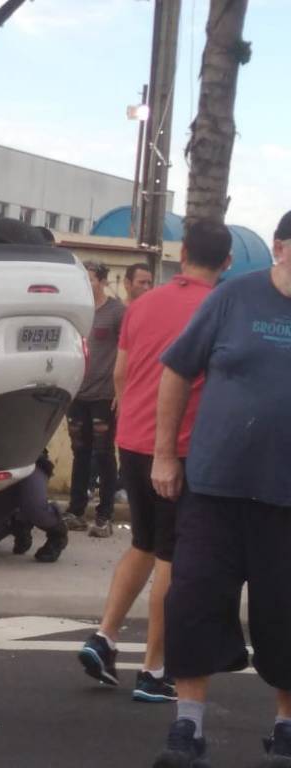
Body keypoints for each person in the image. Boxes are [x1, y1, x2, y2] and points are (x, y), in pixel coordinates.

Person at [149, 211, 291, 768]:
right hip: (215, 488)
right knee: (194, 603)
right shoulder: (233, 299)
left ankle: (285, 730)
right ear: (281, 248)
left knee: (287, 614)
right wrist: (164, 453)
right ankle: (188, 727)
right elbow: (177, 370)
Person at [77, 220, 231, 705]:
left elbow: (121, 373)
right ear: (226, 263)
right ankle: (154, 669)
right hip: (180, 450)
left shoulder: (142, 305)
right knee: (172, 557)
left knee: (143, 544)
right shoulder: (218, 308)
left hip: (134, 439)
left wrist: (131, 420)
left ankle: (104, 636)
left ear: (181, 253)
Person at [61, 261, 125, 537]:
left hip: (104, 395)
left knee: (103, 452)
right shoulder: (76, 312)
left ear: (102, 281)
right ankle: (76, 511)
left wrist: (122, 391)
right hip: (77, 392)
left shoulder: (117, 312)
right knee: (80, 452)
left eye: (91, 280)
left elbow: (127, 351)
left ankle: (104, 515)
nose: (87, 285)